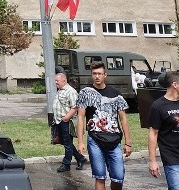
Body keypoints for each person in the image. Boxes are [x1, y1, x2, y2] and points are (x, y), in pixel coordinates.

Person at [77, 61, 132, 190]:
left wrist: (128, 143)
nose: (97, 76)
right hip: (95, 139)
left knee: (118, 177)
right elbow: (80, 117)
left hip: (114, 139)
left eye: (100, 74)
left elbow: (123, 119)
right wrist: (80, 142)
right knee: (100, 176)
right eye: (94, 74)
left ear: (105, 75)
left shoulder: (115, 94)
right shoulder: (85, 93)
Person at [54, 72, 87, 172]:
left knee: (68, 143)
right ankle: (80, 158)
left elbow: (75, 106)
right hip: (59, 121)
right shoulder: (60, 90)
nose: (55, 82)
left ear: (64, 81)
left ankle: (66, 164)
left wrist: (66, 118)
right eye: (55, 80)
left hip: (67, 122)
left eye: (57, 81)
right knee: (65, 142)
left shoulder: (70, 91)